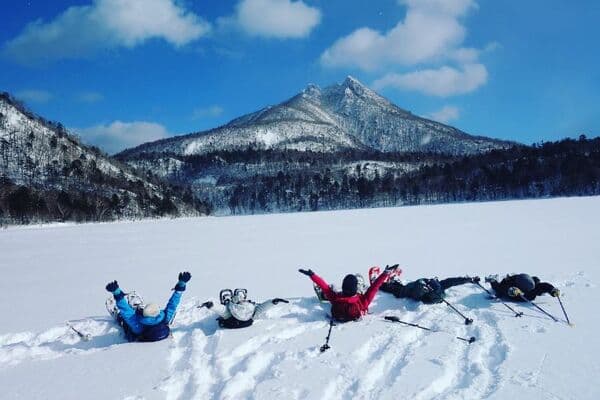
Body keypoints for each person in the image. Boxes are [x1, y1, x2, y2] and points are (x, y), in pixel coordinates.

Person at [105, 271, 191, 342]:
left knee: (127, 323)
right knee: (132, 318)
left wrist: (117, 294)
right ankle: (138, 308)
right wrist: (181, 285)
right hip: (163, 334)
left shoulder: (139, 326)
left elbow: (127, 313)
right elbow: (173, 304)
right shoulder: (165, 318)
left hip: (141, 336)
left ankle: (118, 316)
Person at [299, 264, 399, 322]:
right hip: (355, 310)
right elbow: (374, 288)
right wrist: (385, 273)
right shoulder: (362, 302)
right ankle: (360, 285)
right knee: (364, 288)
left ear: (343, 288)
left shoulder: (336, 298)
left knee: (331, 288)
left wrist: (312, 276)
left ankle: (323, 296)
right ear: (354, 289)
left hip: (337, 313)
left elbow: (325, 287)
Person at [200, 288, 289, 329]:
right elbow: (262, 308)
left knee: (225, 312)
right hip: (247, 323)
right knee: (256, 311)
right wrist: (273, 302)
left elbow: (222, 310)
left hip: (231, 324)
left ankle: (228, 301)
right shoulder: (251, 312)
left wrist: (211, 305)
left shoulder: (230, 313)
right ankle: (239, 298)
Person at [380, 275, 479, 304]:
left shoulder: (425, 295)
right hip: (418, 289)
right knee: (405, 288)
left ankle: (380, 284)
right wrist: (469, 280)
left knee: (400, 292)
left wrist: (422, 287)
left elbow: (416, 295)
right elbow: (453, 281)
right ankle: (395, 282)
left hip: (413, 291)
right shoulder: (441, 286)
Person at [485, 273, 560, 301]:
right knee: (499, 290)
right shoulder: (510, 284)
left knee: (537, 284)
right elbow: (504, 289)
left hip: (524, 284)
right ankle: (493, 280)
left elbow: (544, 285)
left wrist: (552, 290)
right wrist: (511, 291)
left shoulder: (533, 287)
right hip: (512, 287)